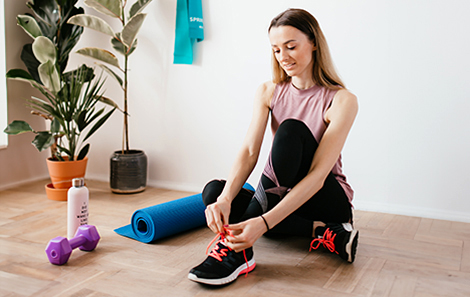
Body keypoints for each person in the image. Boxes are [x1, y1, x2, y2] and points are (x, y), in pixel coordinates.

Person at [188, 8, 359, 286]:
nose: (283, 57)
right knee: (215, 192)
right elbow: (250, 152)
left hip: (325, 198)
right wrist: (226, 199)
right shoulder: (269, 91)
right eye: (276, 50)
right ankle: (323, 233)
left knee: (290, 130)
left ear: (313, 42)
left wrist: (264, 222)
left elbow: (317, 176)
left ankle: (237, 253)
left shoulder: (341, 100)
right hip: (281, 196)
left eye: (291, 46)